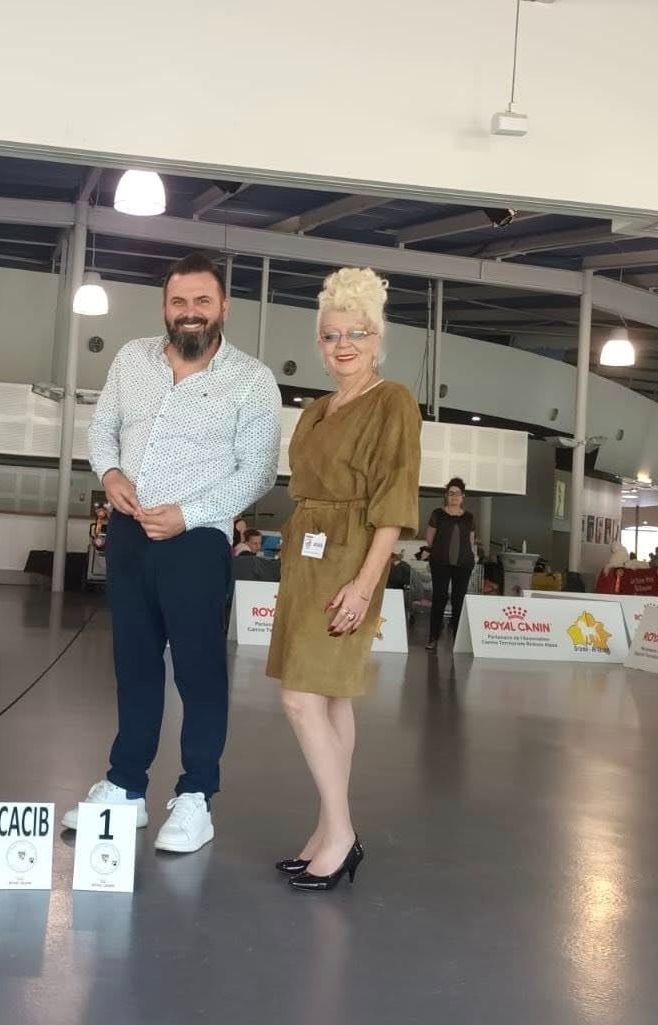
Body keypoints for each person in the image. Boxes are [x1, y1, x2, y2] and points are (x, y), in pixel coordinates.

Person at [65, 251, 282, 853]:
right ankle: (125, 786)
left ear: (223, 308)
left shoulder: (252, 379)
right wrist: (110, 474)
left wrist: (189, 513)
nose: (190, 312)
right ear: (165, 307)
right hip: (129, 535)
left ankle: (196, 796)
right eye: (179, 301)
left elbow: (258, 470)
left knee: (198, 670)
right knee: (133, 664)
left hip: (198, 541)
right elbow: (102, 428)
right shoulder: (132, 359)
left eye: (202, 301)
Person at [266, 267, 420, 893]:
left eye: (356, 333)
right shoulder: (316, 410)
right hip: (306, 554)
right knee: (330, 699)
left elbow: (394, 502)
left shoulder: (393, 401)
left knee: (300, 699)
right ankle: (327, 830)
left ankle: (343, 835)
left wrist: (363, 585)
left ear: (377, 340)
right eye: (331, 335)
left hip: (352, 556)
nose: (343, 345)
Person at [424, 477, 476, 651]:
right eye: (451, 493)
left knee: (458, 599)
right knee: (439, 597)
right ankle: (433, 637)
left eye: (457, 493)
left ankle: (457, 640)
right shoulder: (437, 514)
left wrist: (471, 556)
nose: (454, 496)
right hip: (440, 562)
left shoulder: (469, 517)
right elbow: (429, 538)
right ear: (446, 495)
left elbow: (470, 540)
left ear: (463, 496)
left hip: (463, 564)